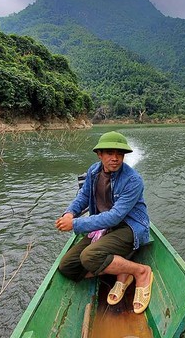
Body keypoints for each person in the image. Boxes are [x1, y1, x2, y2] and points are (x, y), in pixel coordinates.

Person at [55, 131, 154, 314]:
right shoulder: (94, 171)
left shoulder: (133, 180)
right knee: (67, 266)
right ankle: (120, 270)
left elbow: (115, 216)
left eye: (119, 154)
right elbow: (83, 197)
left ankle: (140, 271)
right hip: (104, 229)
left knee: (89, 257)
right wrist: (70, 213)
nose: (115, 158)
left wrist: (75, 224)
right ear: (99, 154)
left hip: (129, 227)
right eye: (109, 153)